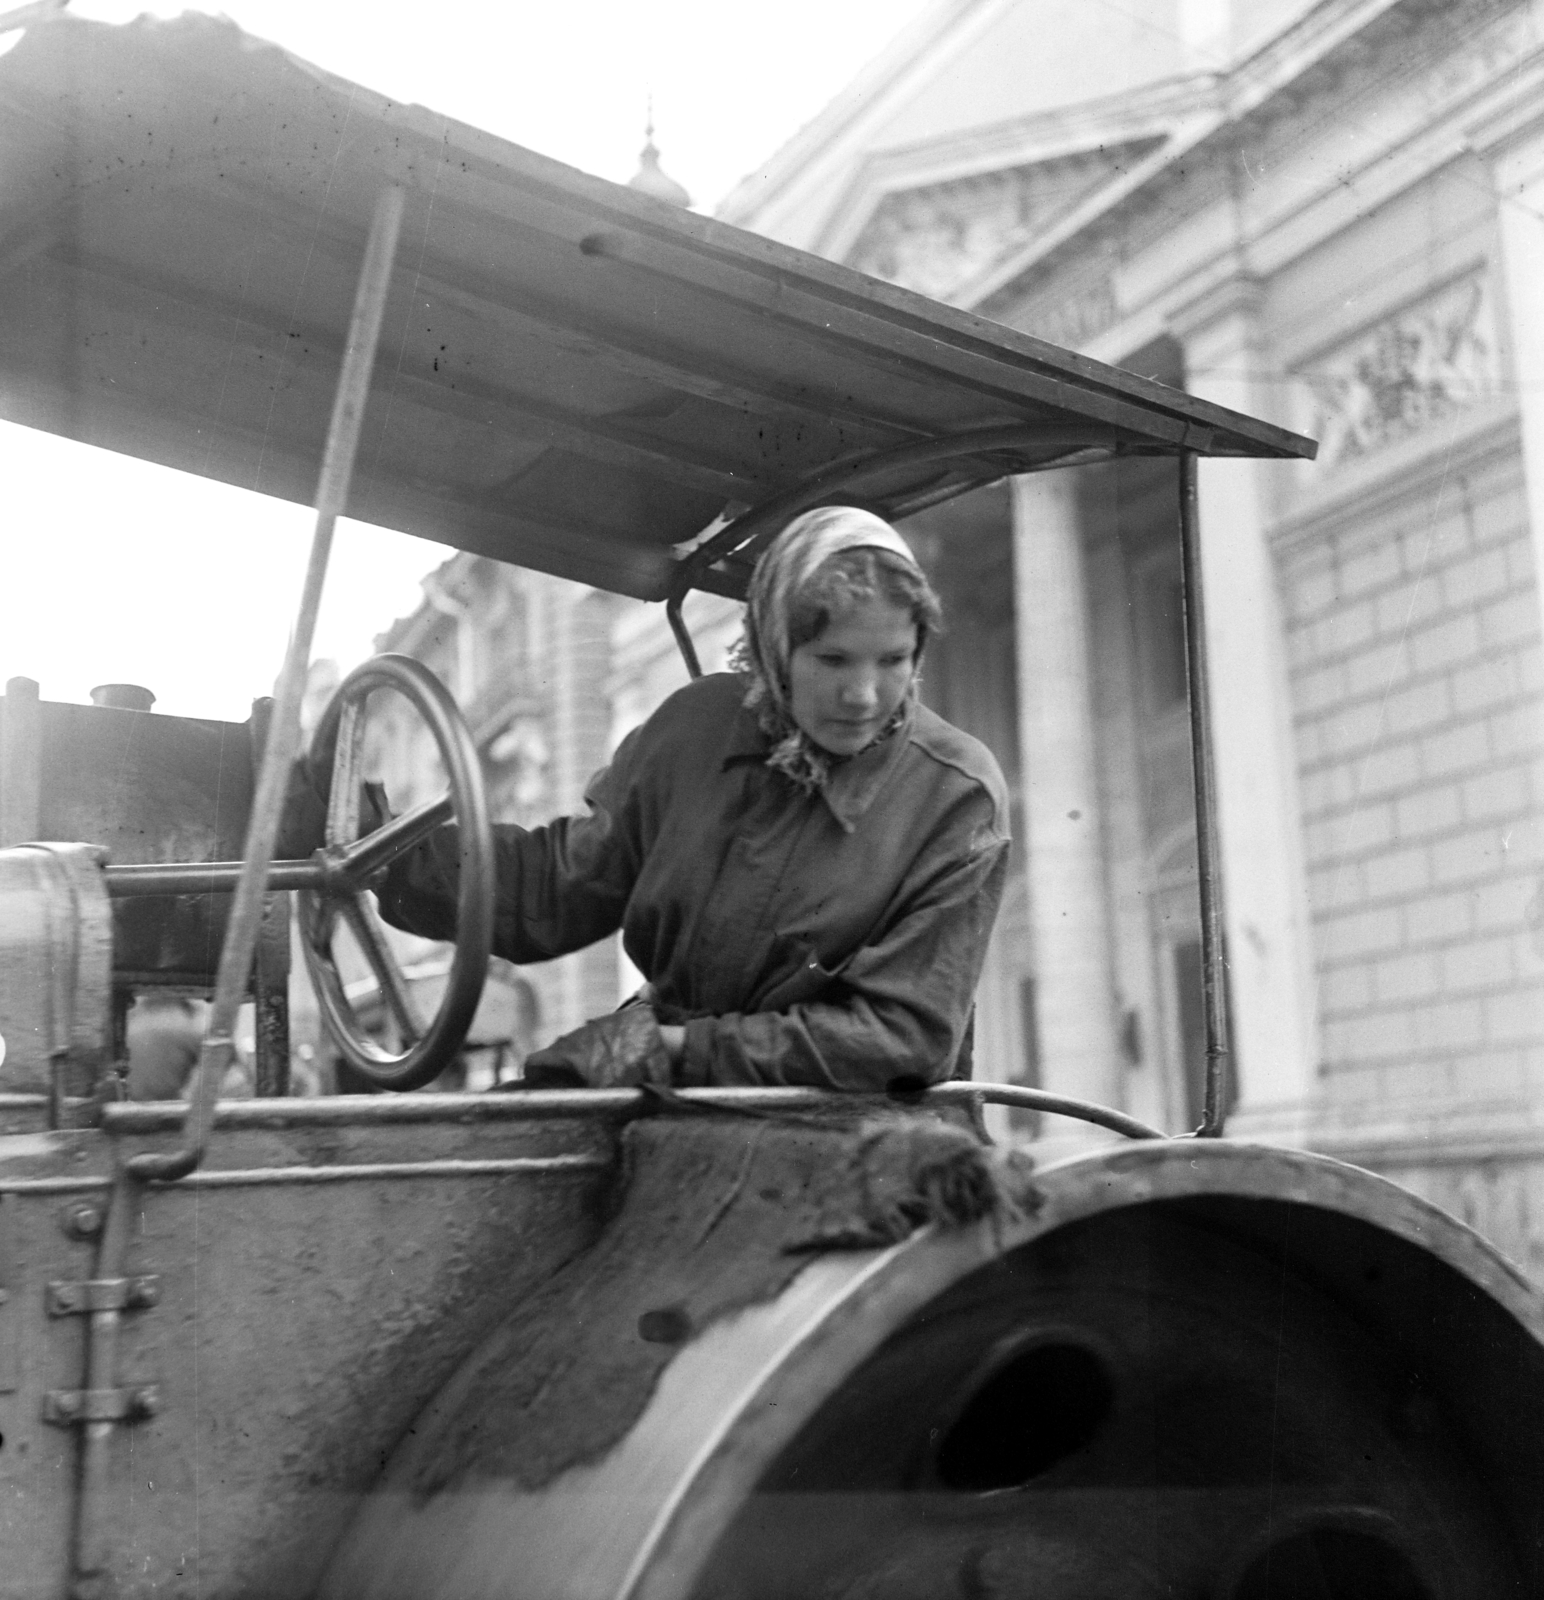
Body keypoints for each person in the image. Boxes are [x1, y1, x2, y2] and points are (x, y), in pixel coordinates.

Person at [377, 506, 1011, 1093]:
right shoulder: (694, 730)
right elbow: (555, 890)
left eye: (894, 660)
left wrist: (673, 1048)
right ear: (776, 648)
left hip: (861, 1124)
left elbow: (900, 1040)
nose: (865, 696)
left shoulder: (956, 796)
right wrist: (381, 850)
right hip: (678, 1086)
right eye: (833, 659)